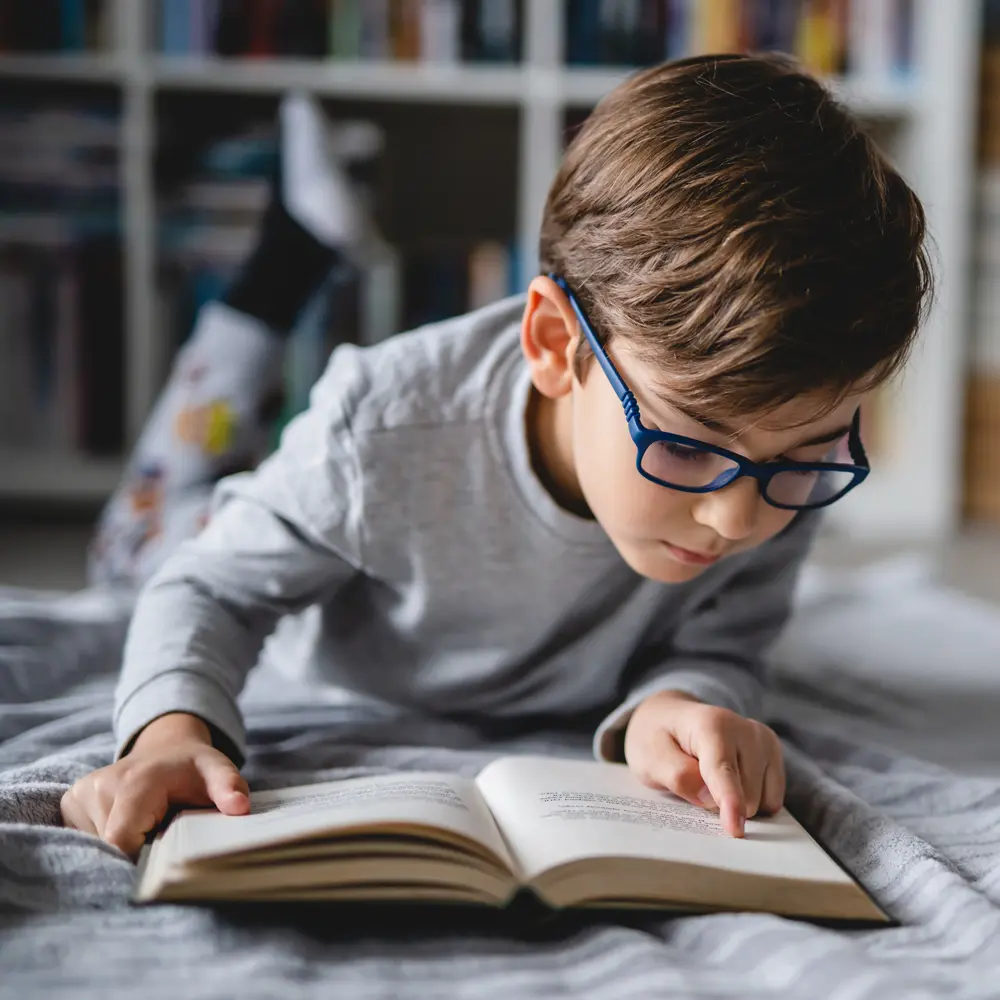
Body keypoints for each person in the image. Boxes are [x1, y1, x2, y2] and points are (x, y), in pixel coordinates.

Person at [62, 54, 931, 856]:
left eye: (802, 459)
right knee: (144, 528)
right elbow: (210, 588)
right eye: (686, 446)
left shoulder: (776, 470)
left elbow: (724, 641)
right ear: (555, 344)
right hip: (248, 536)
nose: (738, 518)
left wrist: (677, 704)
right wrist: (170, 733)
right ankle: (282, 266)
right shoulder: (382, 430)